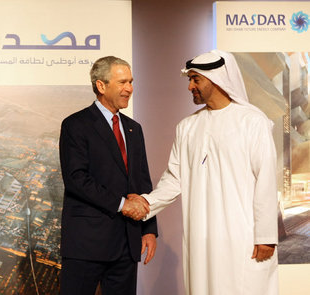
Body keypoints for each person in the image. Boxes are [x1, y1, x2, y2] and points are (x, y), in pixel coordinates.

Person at [138, 50, 279, 295]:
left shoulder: (253, 122)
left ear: (216, 79)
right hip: (200, 237)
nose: (190, 86)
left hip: (242, 237)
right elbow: (174, 179)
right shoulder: (187, 127)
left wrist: (266, 235)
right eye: (190, 80)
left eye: (196, 79)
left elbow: (265, 180)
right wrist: (146, 203)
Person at [59, 56, 158, 295]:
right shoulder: (75, 125)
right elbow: (76, 179)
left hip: (127, 243)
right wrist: (122, 204)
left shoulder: (134, 129)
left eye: (131, 82)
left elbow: (142, 181)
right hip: (86, 246)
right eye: (123, 82)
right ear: (101, 86)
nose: (130, 89)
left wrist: (149, 229)